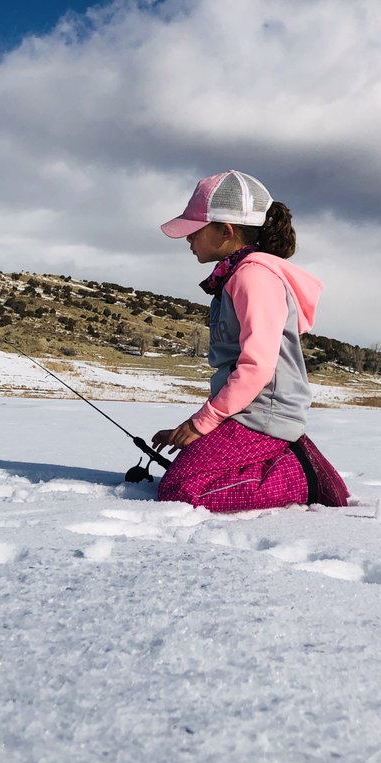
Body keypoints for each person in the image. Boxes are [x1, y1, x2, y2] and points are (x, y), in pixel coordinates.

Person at [151, 170, 350, 512]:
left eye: (194, 231)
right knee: (185, 474)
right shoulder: (238, 275)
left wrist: (203, 423)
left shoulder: (253, 277)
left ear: (225, 231)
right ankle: (291, 460)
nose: (188, 240)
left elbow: (257, 365)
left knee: (181, 490)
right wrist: (198, 432)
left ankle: (301, 477)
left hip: (262, 418)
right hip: (247, 414)